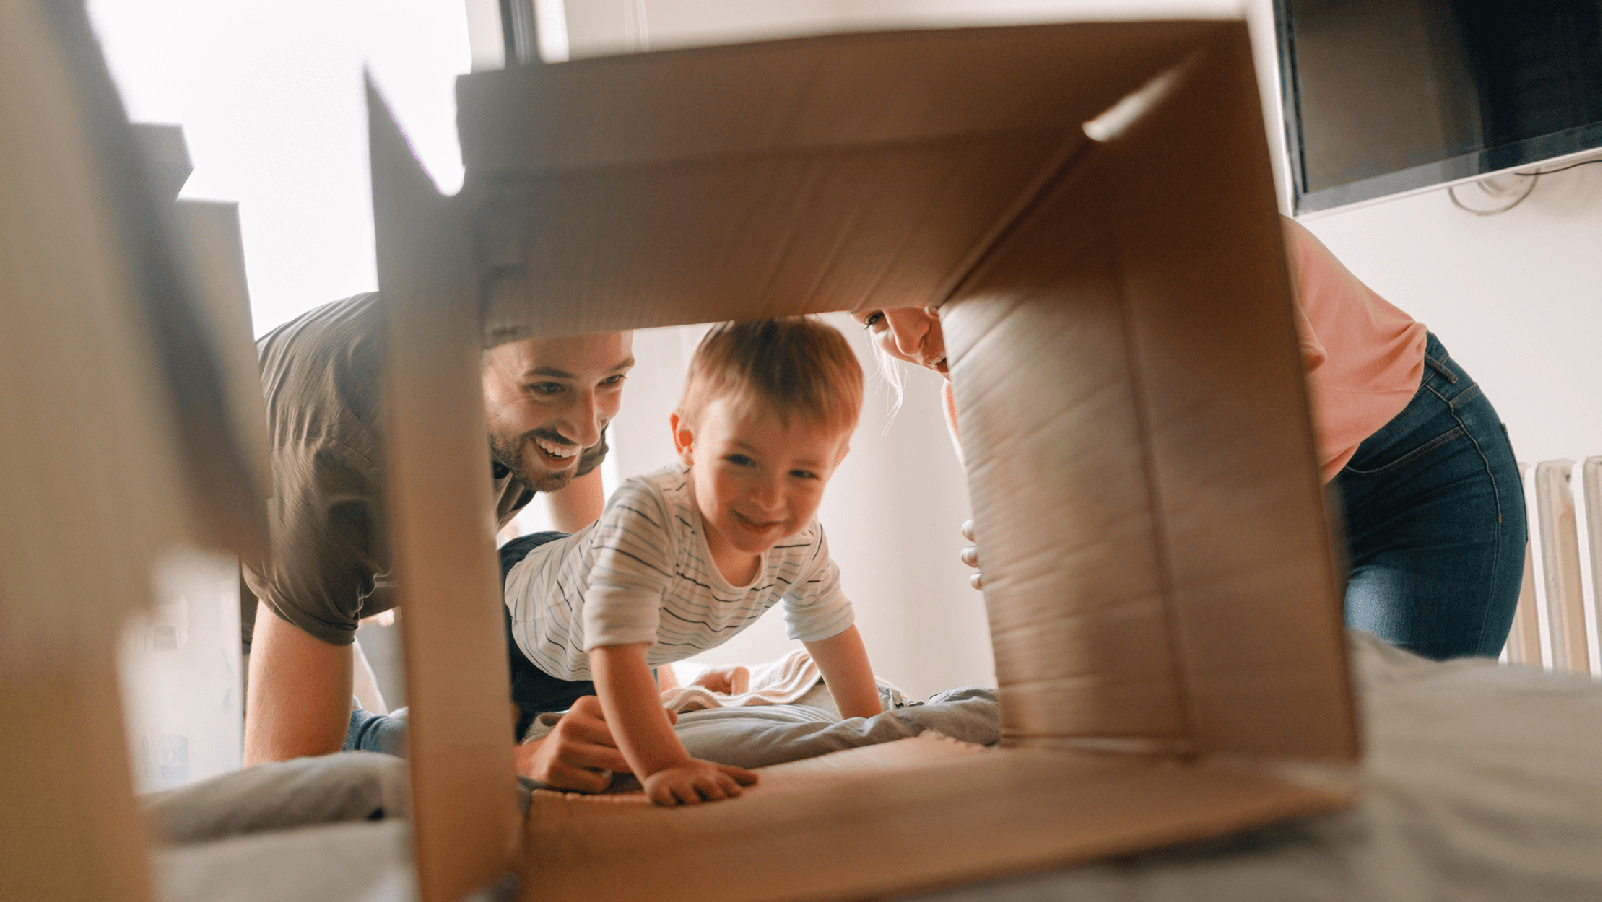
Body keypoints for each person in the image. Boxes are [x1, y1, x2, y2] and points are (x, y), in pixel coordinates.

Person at [852, 217, 1525, 662]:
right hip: (1263, 536)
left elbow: (1258, 418)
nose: (909, 340)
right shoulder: (977, 405)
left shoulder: (1151, 224)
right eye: (875, 317)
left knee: (1397, 755)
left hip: (1409, 478)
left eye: (926, 292)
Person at [242, 291, 638, 787]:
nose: (585, 429)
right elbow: (280, 784)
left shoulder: (571, 382)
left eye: (613, 380)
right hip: (204, 622)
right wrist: (519, 764)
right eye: (546, 388)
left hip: (321, 593)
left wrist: (657, 694)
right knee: (338, 787)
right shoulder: (345, 459)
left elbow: (599, 584)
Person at [499, 317, 883, 805]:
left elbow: (831, 631)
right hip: (511, 619)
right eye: (741, 461)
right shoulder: (650, 516)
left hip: (593, 656)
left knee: (594, 727)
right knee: (473, 755)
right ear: (687, 440)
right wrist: (666, 766)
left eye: (804, 473)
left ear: (836, 460)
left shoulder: (800, 543)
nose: (769, 498)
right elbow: (615, 653)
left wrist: (874, 730)